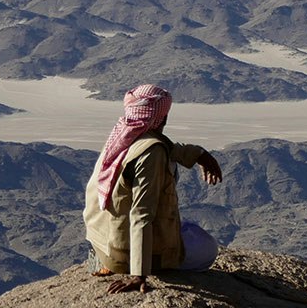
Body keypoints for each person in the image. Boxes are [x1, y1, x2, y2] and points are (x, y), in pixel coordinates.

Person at [83, 83, 223, 291]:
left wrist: (199, 155)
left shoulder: (123, 134)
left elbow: (167, 147)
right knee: (207, 248)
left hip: (105, 241)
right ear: (163, 117)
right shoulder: (152, 153)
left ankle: (108, 257)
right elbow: (141, 216)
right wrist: (138, 274)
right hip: (126, 254)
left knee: (186, 225)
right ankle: (131, 262)